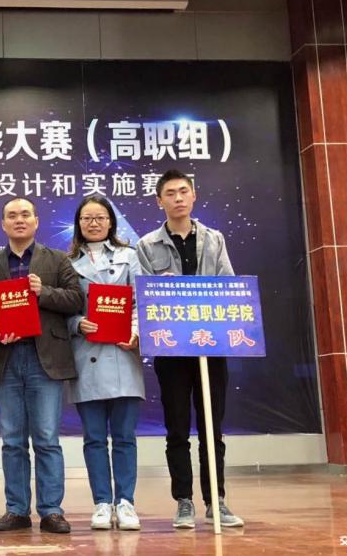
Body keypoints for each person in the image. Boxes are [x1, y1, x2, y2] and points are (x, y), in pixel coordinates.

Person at [136, 168, 245, 529]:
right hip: (171, 350)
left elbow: (229, 286)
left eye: (184, 191)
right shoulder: (147, 245)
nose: (178, 198)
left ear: (194, 196)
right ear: (159, 201)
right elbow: (142, 296)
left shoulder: (214, 240)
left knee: (212, 428)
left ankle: (216, 501)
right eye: (170, 193)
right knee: (177, 427)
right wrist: (160, 287)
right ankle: (183, 501)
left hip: (210, 346)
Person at [0, 196, 84, 534]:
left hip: (45, 360)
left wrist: (44, 292)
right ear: (3, 224)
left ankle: (51, 510)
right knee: (12, 440)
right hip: (7, 357)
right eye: (12, 215)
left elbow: (76, 299)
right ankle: (17, 509)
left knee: (47, 439)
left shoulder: (57, 259)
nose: (19, 220)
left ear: (36, 221)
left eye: (25, 214)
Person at [66, 195, 145, 531]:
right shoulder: (66, 262)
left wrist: (136, 332)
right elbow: (61, 308)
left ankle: (126, 502)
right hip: (86, 356)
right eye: (87, 218)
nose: (94, 223)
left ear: (111, 221)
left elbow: (141, 301)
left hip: (122, 353)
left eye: (100, 217)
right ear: (78, 224)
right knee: (94, 438)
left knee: (124, 436)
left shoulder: (130, 256)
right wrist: (76, 323)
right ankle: (101, 502)